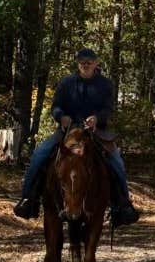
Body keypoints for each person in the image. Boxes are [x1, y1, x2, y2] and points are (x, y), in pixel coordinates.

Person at [13, 48, 139, 225]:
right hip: (68, 131)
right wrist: (61, 117)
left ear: (96, 63)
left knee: (116, 161)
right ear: (78, 64)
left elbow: (109, 109)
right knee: (39, 155)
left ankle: (123, 205)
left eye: (89, 62)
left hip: (97, 132)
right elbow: (56, 106)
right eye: (82, 62)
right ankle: (28, 199)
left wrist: (97, 118)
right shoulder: (67, 83)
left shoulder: (105, 84)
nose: (85, 65)